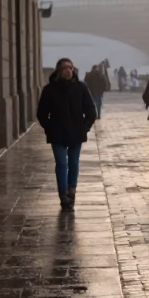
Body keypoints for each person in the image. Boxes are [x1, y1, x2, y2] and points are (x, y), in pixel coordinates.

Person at [36, 57, 97, 209]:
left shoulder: (81, 88)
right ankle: (63, 194)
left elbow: (91, 111)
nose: (68, 70)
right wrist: (49, 128)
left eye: (70, 67)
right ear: (59, 71)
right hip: (57, 133)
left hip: (76, 132)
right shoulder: (49, 90)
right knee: (62, 164)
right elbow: (42, 113)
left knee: (74, 163)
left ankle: (72, 191)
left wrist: (85, 128)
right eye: (64, 68)